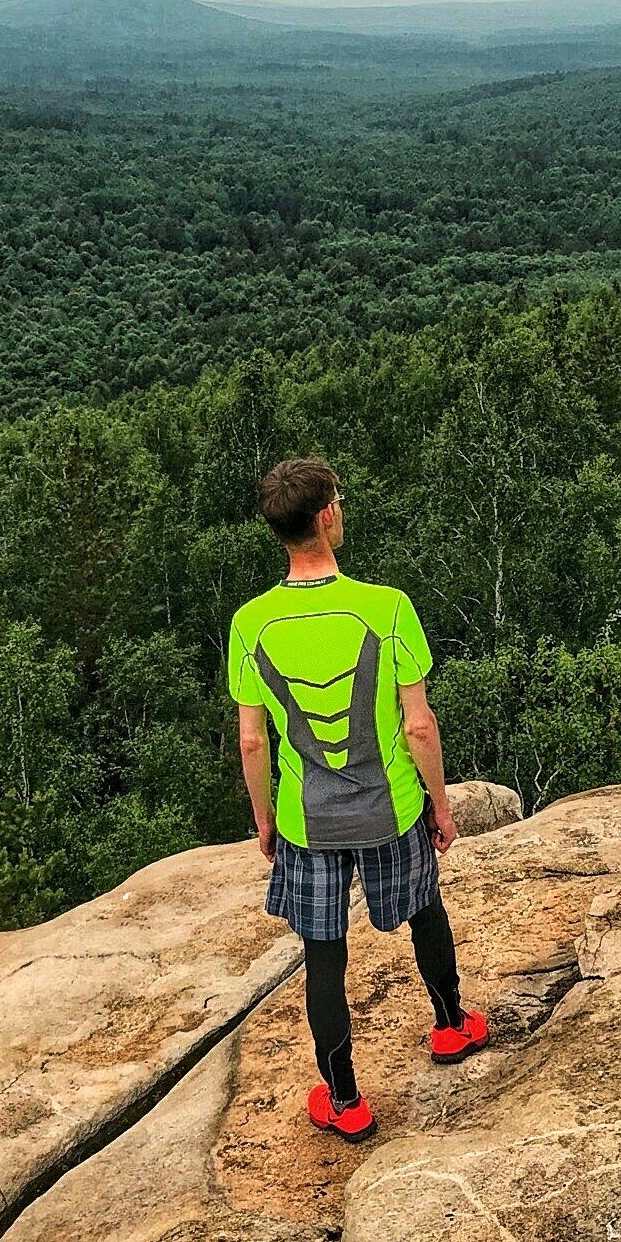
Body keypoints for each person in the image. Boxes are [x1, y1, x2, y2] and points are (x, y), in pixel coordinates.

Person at [227, 456, 489, 1143]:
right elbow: (419, 724)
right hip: (391, 808)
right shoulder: (386, 607)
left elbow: (253, 743)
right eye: (338, 500)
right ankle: (452, 1025)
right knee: (425, 909)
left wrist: (263, 820)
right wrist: (440, 804)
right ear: (325, 517)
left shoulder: (251, 624)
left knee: (323, 954)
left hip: (307, 824)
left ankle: (345, 1100)